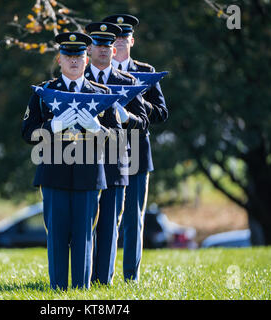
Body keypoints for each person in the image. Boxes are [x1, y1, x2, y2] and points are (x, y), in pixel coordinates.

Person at [21, 32, 120, 290]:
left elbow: (119, 138)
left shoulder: (103, 94)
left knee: (84, 236)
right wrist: (51, 126)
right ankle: (58, 289)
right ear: (59, 59)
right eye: (68, 56)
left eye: (79, 56)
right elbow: (27, 132)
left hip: (89, 176)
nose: (74, 61)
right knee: (57, 236)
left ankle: (81, 291)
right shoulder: (45, 92)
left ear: (87, 59)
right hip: (54, 174)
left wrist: (98, 129)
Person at [102, 14, 168, 282]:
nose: (118, 43)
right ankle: (101, 274)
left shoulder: (146, 71)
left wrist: (136, 103)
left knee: (133, 218)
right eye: (113, 38)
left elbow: (162, 112)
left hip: (138, 149)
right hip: (107, 149)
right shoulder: (99, 70)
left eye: (123, 37)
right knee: (107, 217)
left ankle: (131, 277)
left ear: (132, 40)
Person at [84, 21, 149, 285]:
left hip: (114, 159)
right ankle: (83, 277)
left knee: (111, 221)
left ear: (114, 50)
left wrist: (127, 117)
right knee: (85, 223)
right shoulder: (78, 78)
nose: (103, 50)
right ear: (89, 49)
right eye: (98, 45)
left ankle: (104, 279)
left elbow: (143, 121)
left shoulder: (128, 82)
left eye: (108, 45)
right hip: (83, 159)